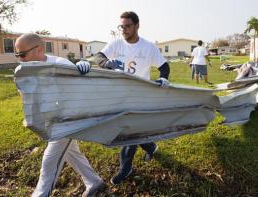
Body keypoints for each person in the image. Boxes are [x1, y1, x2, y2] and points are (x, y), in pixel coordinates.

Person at [14, 33, 104, 197]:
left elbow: (82, 93)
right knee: (72, 153)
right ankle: (94, 181)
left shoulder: (61, 64)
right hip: (50, 121)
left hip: (68, 120)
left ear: (39, 49)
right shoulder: (23, 70)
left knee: (49, 161)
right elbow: (26, 99)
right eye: (17, 55)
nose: (20, 59)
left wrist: (82, 70)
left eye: (22, 54)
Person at [92, 11, 170, 185]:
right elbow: (98, 56)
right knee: (132, 129)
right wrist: (106, 63)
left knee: (128, 131)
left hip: (140, 95)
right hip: (120, 94)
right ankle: (151, 147)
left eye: (127, 26)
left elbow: (164, 66)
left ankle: (125, 168)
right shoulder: (116, 43)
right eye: (121, 26)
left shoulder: (148, 47)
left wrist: (164, 78)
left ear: (137, 26)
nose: (124, 30)